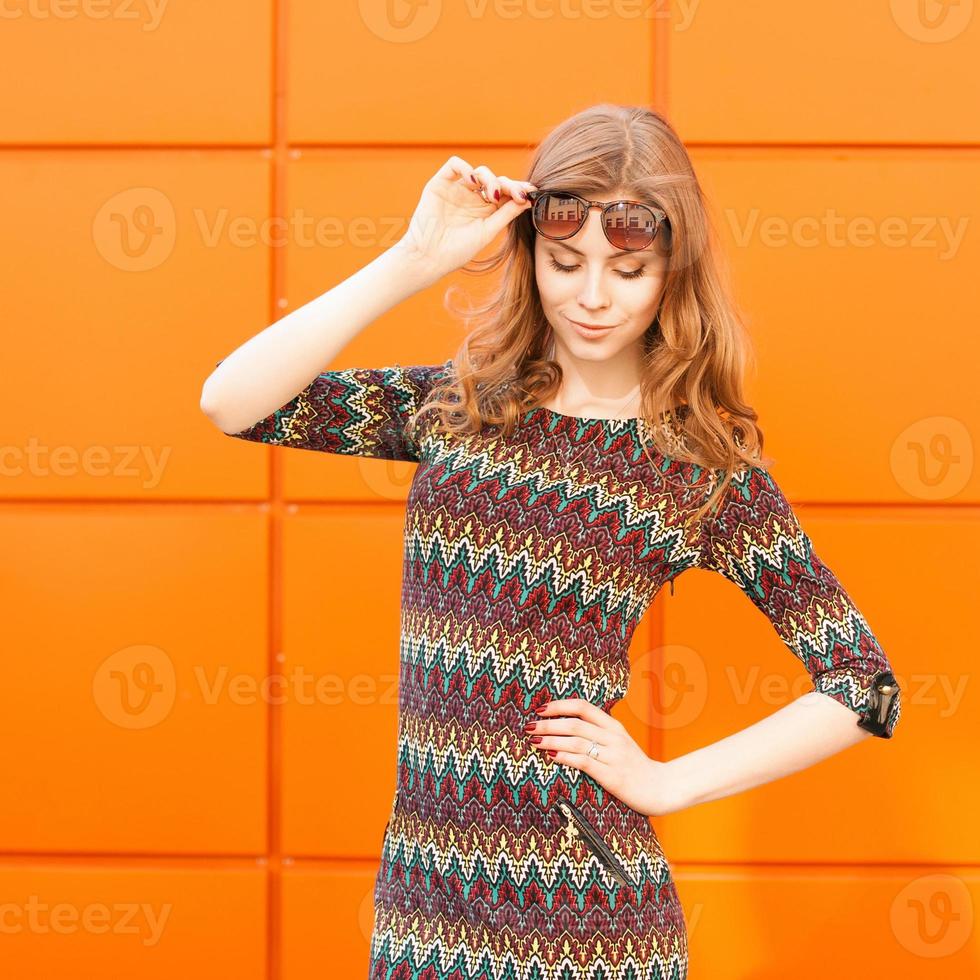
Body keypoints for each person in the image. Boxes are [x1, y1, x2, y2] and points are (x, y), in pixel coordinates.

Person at [200, 103, 902, 980]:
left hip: (590, 923)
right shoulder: (458, 407)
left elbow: (866, 689)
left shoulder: (694, 466)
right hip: (424, 913)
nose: (594, 296)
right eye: (565, 262)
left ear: (672, 276)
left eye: (630, 269)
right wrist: (415, 259)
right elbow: (234, 403)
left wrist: (669, 782)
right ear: (531, 257)